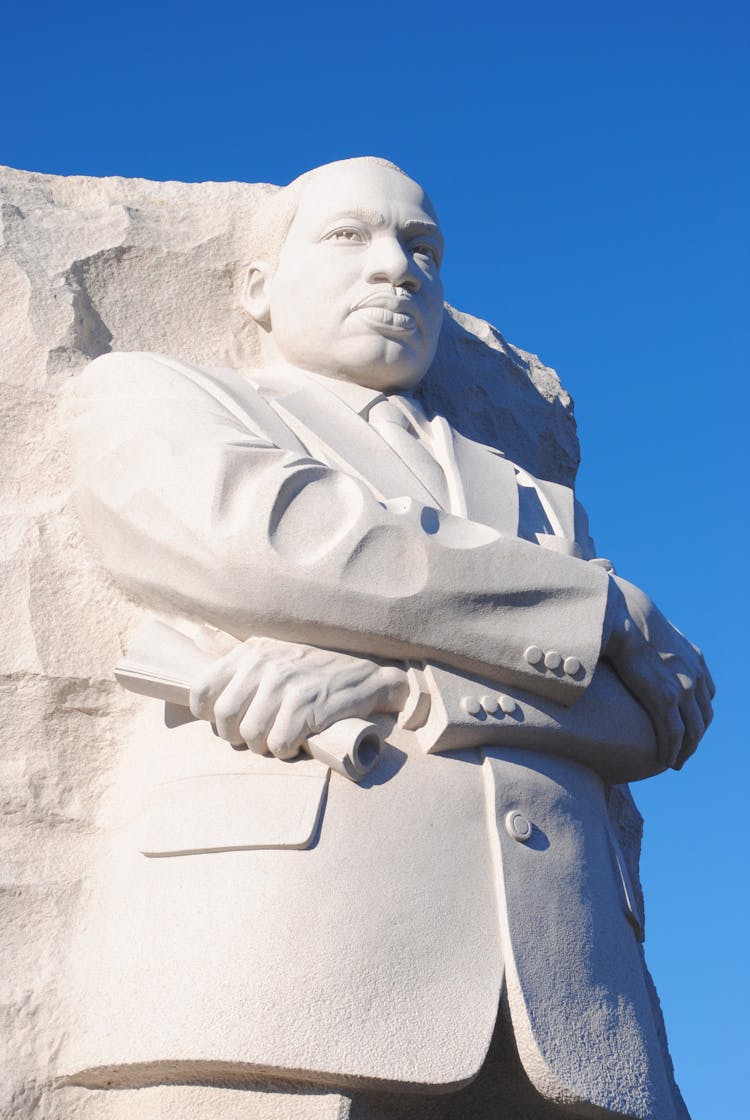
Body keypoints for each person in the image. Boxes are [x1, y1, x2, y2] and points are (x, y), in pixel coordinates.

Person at [68, 157, 713, 1120]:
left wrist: (408, 688)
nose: (397, 268)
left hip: (570, 1000)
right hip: (276, 963)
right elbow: (272, 540)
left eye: (424, 249)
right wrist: (605, 606)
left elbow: (648, 723)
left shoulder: (538, 504)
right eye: (349, 236)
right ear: (257, 288)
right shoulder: (158, 397)